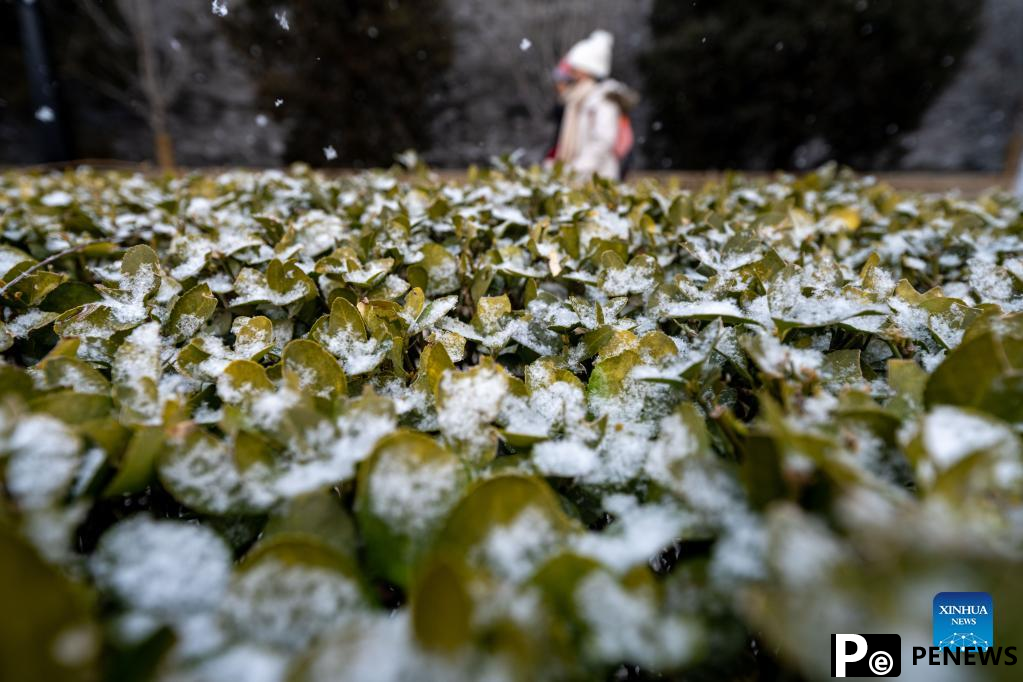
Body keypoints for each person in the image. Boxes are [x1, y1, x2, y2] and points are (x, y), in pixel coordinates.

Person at [549, 30, 639, 181]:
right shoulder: (580, 99)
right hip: (581, 177)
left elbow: (603, 141)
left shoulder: (603, 100)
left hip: (598, 179)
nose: (572, 73)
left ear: (588, 70)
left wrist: (576, 168)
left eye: (576, 68)